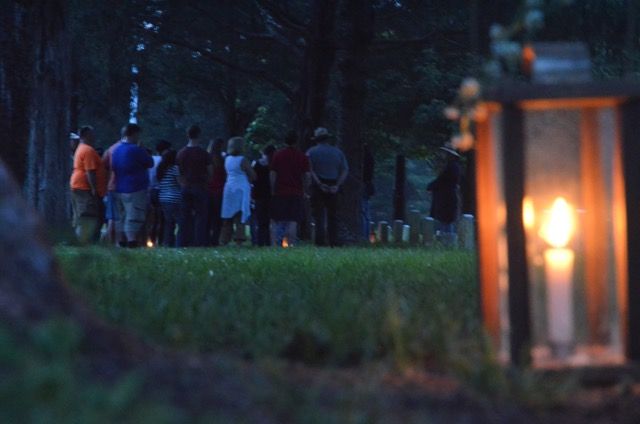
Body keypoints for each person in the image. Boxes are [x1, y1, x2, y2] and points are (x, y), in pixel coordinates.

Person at [111, 123, 153, 248]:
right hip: (135, 188)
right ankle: (132, 241)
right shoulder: (136, 150)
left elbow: (113, 166)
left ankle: (120, 242)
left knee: (122, 217)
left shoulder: (117, 150)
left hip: (119, 187)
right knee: (134, 215)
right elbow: (149, 162)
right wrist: (143, 149)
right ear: (134, 134)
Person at [307, 127, 348, 247]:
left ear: (316, 139)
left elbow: (310, 170)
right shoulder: (337, 152)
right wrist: (337, 185)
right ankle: (333, 241)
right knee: (333, 215)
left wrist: (319, 184)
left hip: (318, 186)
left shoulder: (311, 152)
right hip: (333, 183)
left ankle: (320, 242)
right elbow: (345, 170)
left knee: (319, 215)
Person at [270, 132, 311, 247]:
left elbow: (273, 174)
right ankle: (291, 244)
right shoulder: (302, 156)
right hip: (296, 192)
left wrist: (273, 189)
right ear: (296, 142)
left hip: (280, 191)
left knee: (277, 219)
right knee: (293, 220)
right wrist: (305, 189)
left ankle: (275, 244)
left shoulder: (278, 155)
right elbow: (307, 175)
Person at [69, 126, 107, 244]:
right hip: (84, 187)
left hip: (78, 186)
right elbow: (90, 171)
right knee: (87, 214)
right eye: (92, 134)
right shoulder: (88, 150)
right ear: (86, 135)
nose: (94, 137)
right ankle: (83, 242)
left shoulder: (81, 148)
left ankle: (83, 240)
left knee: (81, 214)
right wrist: (94, 189)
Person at [176, 125, 212, 247]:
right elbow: (210, 171)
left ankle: (182, 242)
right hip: (200, 186)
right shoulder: (203, 153)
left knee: (184, 217)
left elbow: (178, 172)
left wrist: (182, 183)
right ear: (199, 135)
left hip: (185, 186)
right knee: (201, 216)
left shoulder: (181, 153)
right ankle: (199, 242)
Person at [220, 137, 256, 245]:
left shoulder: (227, 159)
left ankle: (224, 239)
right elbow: (253, 175)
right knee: (240, 215)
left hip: (229, 188)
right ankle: (239, 239)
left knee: (228, 216)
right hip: (241, 188)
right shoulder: (242, 160)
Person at [427, 146, 461, 238]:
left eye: (448, 154)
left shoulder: (452, 167)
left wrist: (430, 186)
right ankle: (445, 237)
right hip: (446, 197)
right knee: (445, 219)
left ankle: (447, 238)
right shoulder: (451, 167)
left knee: (447, 219)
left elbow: (441, 181)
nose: (446, 156)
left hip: (447, 198)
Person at [147, 140, 172, 246]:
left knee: (153, 219)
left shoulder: (151, 159)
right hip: (161, 191)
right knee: (162, 218)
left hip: (150, 190)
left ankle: (150, 240)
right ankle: (161, 240)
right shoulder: (165, 161)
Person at [102, 129, 124, 244]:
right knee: (121, 217)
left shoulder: (111, 149)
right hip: (124, 187)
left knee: (111, 217)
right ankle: (119, 242)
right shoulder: (129, 148)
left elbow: (103, 167)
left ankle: (111, 242)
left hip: (111, 186)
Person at [252, 144, 276, 246]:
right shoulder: (273, 164)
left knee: (260, 220)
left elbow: (253, 178)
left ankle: (259, 241)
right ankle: (268, 241)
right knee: (268, 220)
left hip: (258, 194)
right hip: (270, 194)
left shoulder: (256, 164)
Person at [156, 149, 181, 247]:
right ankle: (178, 242)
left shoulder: (161, 169)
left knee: (168, 223)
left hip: (163, 198)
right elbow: (180, 183)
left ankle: (167, 242)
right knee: (180, 222)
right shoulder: (174, 169)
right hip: (175, 198)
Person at [207, 138, 226, 246]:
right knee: (217, 219)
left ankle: (207, 238)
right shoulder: (222, 160)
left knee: (208, 217)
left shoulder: (207, 158)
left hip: (209, 190)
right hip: (220, 190)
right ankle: (215, 239)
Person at [361, 143, 375, 239]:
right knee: (366, 213)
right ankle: (365, 235)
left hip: (362, 186)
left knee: (362, 211)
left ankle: (363, 235)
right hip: (367, 185)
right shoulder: (370, 160)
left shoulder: (362, 161)